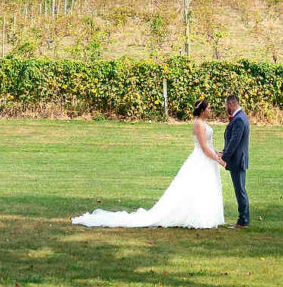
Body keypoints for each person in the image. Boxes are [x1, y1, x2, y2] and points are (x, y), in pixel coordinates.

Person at [71, 98, 227, 228]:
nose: (210, 110)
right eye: (209, 108)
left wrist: (217, 152)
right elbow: (204, 147)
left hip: (206, 159)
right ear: (202, 110)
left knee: (203, 187)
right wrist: (219, 160)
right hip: (201, 159)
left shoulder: (203, 123)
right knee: (194, 188)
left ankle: (204, 215)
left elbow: (209, 146)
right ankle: (196, 217)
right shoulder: (198, 124)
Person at [222, 94, 250, 227]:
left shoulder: (239, 119)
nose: (225, 107)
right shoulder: (241, 117)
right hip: (238, 159)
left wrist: (224, 157)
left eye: (226, 105)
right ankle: (243, 219)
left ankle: (243, 220)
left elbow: (234, 141)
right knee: (240, 190)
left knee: (240, 191)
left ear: (231, 104)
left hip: (238, 161)